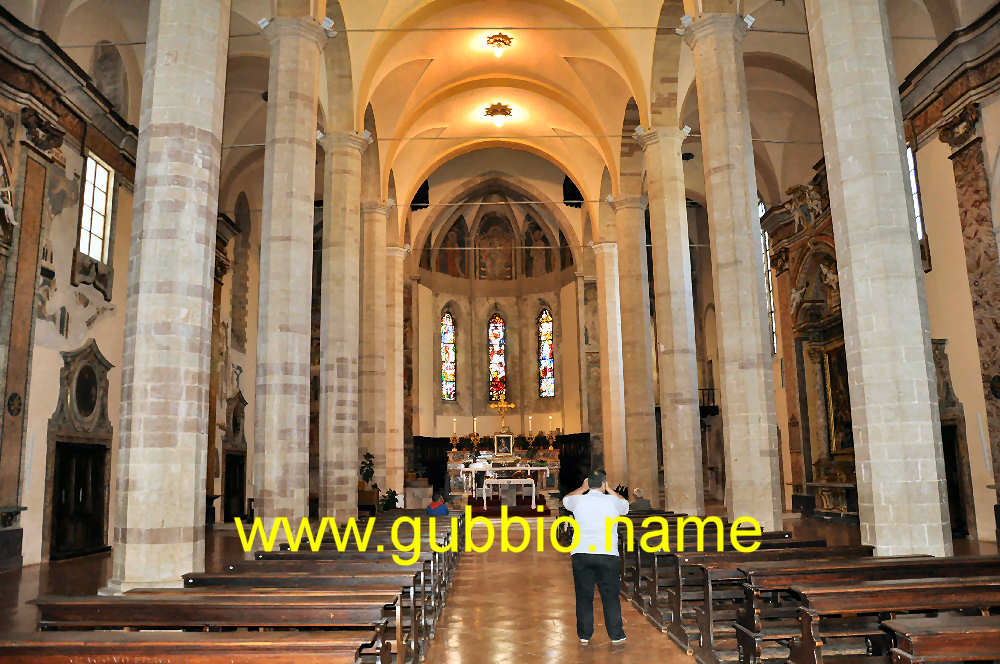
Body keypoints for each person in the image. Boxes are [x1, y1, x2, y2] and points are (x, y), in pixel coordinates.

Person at [562, 469, 629, 645]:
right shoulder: (613, 501)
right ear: (603, 484)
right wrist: (611, 490)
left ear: (587, 484)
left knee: (584, 595)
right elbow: (626, 506)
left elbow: (565, 500)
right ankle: (616, 634)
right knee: (610, 595)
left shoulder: (578, 500)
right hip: (607, 553)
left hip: (582, 553)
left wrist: (581, 488)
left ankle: (584, 634)